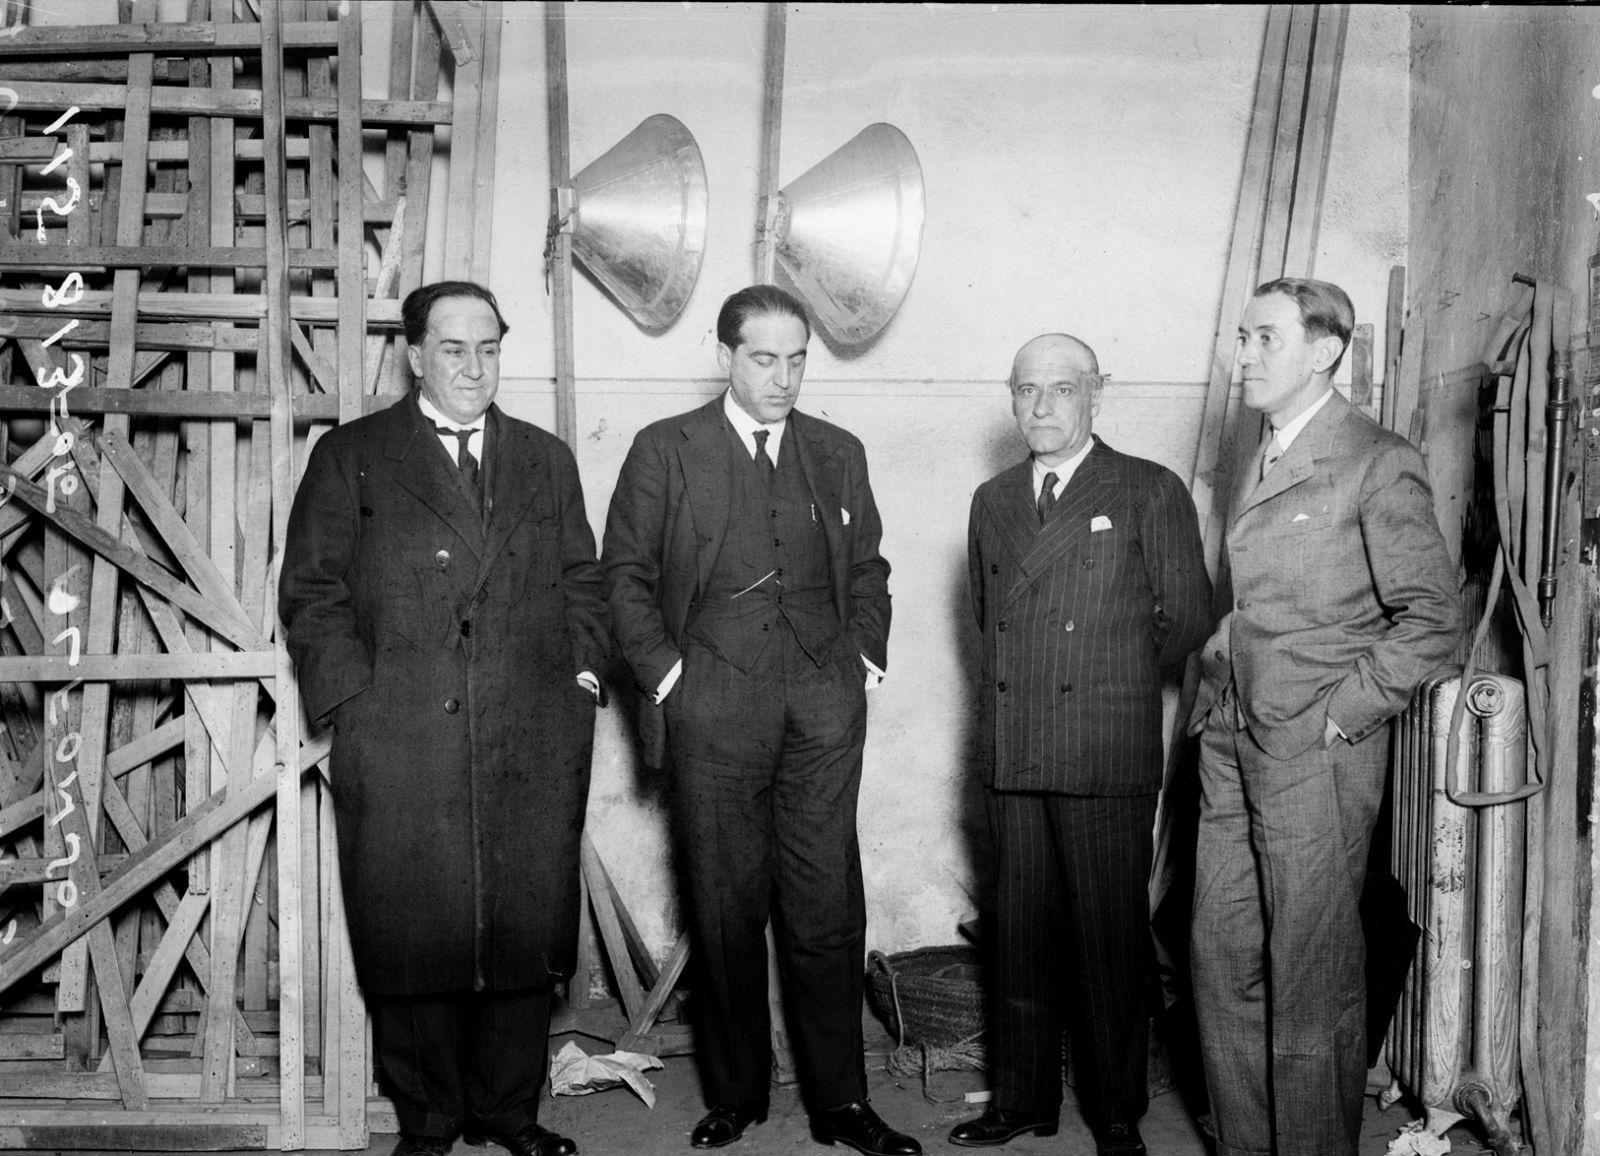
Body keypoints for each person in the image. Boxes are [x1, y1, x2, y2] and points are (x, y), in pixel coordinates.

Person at [280, 280, 607, 1156]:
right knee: (411, 928)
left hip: (528, 732)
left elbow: (584, 578)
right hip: (402, 734)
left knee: (521, 925)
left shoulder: (546, 459)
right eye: (455, 349)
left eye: (489, 348)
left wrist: (578, 677)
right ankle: (426, 1118)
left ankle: (509, 1110)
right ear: (415, 354)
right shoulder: (353, 455)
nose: (474, 366)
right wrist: (354, 702)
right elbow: (312, 593)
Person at [602, 285, 916, 1156]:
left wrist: (860, 663)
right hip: (712, 706)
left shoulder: (837, 450)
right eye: (764, 359)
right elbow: (622, 577)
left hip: (822, 706)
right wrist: (669, 681)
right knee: (726, 905)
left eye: (797, 360)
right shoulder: (666, 450)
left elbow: (870, 570)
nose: (783, 378)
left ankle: (841, 1104)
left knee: (826, 907)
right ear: (726, 355)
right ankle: (737, 1096)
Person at [1188, 278, 1461, 1156]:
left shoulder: (1377, 460)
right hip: (1233, 734)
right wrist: (1227, 645)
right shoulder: (1264, 451)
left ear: (1326, 349)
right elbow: (1279, 591)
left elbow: (1433, 619)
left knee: (1309, 977)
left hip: (1314, 748)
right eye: (1242, 338)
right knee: (1220, 959)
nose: (1245, 356)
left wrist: (1343, 717)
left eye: (1265, 338)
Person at [952, 335, 1211, 1156]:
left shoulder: (1146, 488)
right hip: (1016, 747)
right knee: (1020, 935)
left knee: (1108, 941)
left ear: (1097, 393)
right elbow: (988, 616)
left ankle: (1115, 1111)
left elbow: (1188, 621)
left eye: (1061, 389)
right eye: (1025, 390)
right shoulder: (992, 498)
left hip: (1103, 748)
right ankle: (1022, 1101)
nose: (1040, 407)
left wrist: (1109, 684)